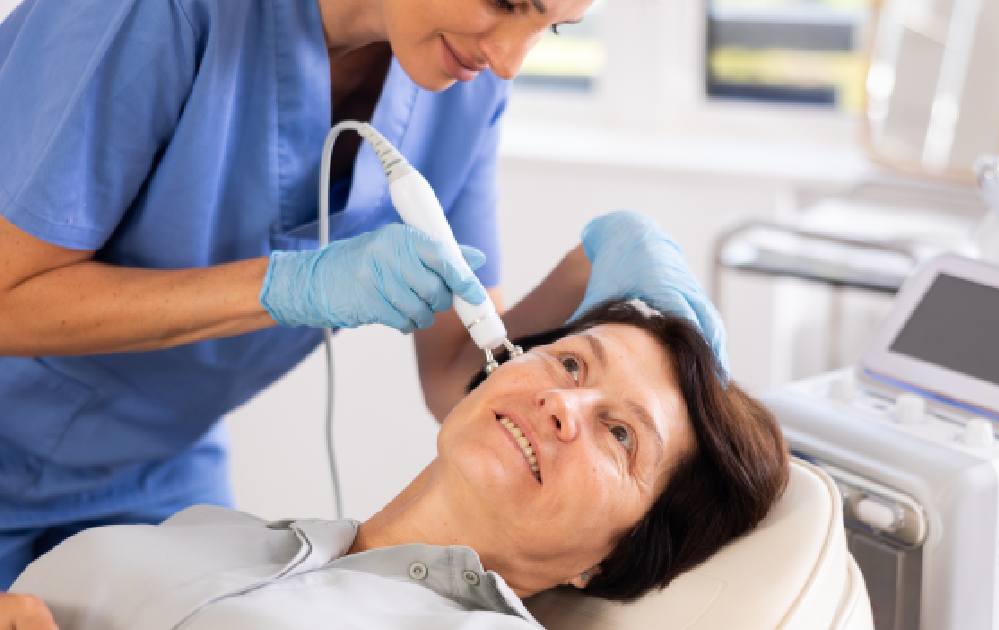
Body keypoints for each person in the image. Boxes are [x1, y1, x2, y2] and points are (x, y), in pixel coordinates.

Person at [0, 0, 728, 589]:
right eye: (507, 4)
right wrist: (284, 286)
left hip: (156, 465)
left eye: (551, 25)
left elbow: (459, 377)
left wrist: (589, 260)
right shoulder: (146, 13)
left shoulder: (463, 88)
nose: (509, 58)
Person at [3, 299, 788, 630]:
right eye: (573, 365)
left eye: (621, 436)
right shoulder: (222, 533)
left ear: (610, 558)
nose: (564, 404)